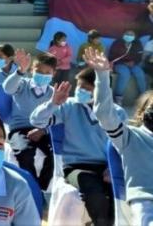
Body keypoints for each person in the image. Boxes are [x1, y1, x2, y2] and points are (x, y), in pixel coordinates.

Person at [85, 47, 153, 225]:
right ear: (141, 113)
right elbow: (104, 114)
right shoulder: (129, 138)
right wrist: (102, 76)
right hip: (151, 211)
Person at [30, 68, 125, 226]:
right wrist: (53, 103)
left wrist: (113, 167)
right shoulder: (67, 106)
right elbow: (36, 120)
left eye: (87, 89)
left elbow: (122, 146)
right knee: (93, 189)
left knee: (118, 194)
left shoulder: (117, 113)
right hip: (75, 166)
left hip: (106, 166)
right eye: (80, 87)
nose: (81, 91)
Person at [2, 50, 56, 190]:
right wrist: (20, 71)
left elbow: (58, 117)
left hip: (43, 130)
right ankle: (31, 186)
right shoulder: (23, 84)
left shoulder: (53, 93)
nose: (42, 75)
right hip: (20, 129)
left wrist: (43, 130)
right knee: (25, 152)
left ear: (53, 74)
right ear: (32, 69)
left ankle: (41, 187)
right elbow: (7, 89)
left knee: (56, 154)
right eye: (39, 70)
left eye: (47, 72)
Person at [108, 30, 146, 105]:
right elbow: (111, 56)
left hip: (133, 64)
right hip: (119, 64)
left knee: (139, 73)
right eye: (127, 34)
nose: (129, 36)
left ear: (134, 36)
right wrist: (123, 62)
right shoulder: (117, 43)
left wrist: (134, 62)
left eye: (131, 34)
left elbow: (140, 56)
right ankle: (118, 97)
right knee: (125, 73)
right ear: (123, 35)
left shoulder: (137, 43)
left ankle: (144, 96)